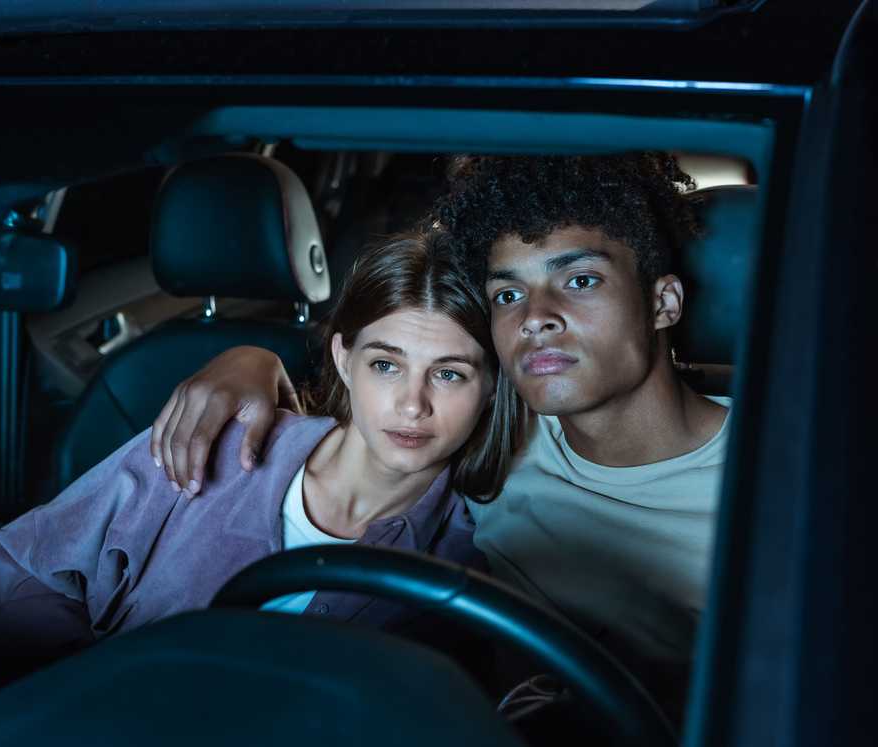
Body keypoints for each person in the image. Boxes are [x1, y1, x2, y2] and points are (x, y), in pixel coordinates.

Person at [149, 153, 730, 718]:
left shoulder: (783, 482)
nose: (535, 316)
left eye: (579, 279)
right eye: (508, 294)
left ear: (663, 301)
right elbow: (385, 393)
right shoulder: (493, 435)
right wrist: (251, 360)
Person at [0, 231, 520, 660]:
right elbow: (19, 567)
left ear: (492, 387)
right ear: (343, 361)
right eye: (385, 365)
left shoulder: (472, 555)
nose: (411, 405)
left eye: (449, 375)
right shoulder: (210, 442)